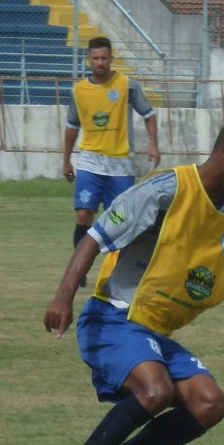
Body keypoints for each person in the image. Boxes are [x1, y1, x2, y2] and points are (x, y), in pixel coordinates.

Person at [37, 109, 224, 445]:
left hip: (152, 329)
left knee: (209, 404)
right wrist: (63, 296)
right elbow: (95, 238)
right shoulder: (167, 190)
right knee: (156, 391)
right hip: (114, 317)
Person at [63, 36, 161, 287]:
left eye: (104, 58)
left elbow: (149, 115)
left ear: (111, 58)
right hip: (90, 163)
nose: (100, 62)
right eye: (95, 58)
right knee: (84, 214)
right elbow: (72, 126)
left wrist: (153, 145)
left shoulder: (127, 85)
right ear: (88, 59)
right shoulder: (78, 90)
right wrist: (66, 160)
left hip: (121, 165)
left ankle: (120, 277)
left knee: (122, 223)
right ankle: (79, 271)